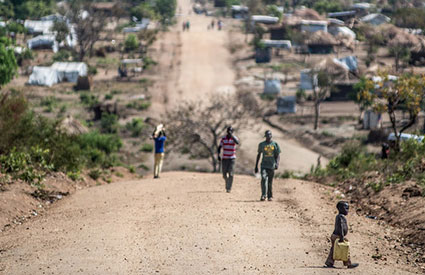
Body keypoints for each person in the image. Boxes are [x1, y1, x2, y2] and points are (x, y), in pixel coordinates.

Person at [325, 201, 359, 269]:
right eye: (346, 208)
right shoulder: (341, 217)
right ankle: (348, 263)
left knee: (335, 249)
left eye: (348, 208)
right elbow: (340, 226)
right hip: (338, 236)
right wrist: (342, 236)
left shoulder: (340, 216)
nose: (347, 210)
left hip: (336, 235)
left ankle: (330, 262)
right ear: (340, 209)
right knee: (345, 249)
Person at [254, 130, 280, 201]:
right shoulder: (262, 144)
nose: (268, 137)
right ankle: (263, 195)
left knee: (270, 182)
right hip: (264, 165)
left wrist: (277, 163)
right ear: (265, 136)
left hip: (271, 166)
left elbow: (277, 155)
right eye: (267, 136)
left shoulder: (275, 144)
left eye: (269, 135)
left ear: (271, 136)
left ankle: (270, 196)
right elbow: (259, 154)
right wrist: (256, 165)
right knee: (264, 178)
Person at [217, 126, 239, 193]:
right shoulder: (223, 139)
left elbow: (237, 142)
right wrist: (218, 155)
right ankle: (227, 182)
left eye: (231, 131)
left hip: (232, 158)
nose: (229, 132)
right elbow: (219, 147)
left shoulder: (234, 138)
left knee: (231, 174)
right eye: (228, 131)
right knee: (224, 174)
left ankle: (228, 187)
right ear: (226, 131)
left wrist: (232, 136)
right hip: (225, 158)